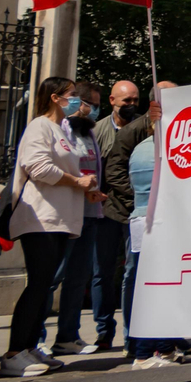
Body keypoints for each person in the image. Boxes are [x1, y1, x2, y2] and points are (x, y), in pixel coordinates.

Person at [1, 77, 101, 378]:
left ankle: (29, 347)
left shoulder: (61, 131)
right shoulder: (39, 127)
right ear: (56, 98)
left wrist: (86, 188)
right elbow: (38, 167)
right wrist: (77, 182)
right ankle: (14, 352)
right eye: (71, 96)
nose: (76, 101)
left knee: (43, 285)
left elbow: (63, 170)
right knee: (38, 284)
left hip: (59, 219)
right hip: (39, 219)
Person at [108, 80, 185, 369]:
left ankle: (163, 348)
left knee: (152, 283)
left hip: (142, 220)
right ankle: (142, 351)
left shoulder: (142, 148)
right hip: (153, 219)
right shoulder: (154, 150)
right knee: (150, 285)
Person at [50, 82, 112, 356]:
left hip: (89, 214)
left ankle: (68, 336)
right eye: (92, 104)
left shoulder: (90, 133)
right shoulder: (61, 129)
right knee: (54, 276)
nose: (95, 110)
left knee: (77, 278)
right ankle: (34, 337)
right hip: (66, 215)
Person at [81, 79, 136, 355]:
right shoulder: (97, 130)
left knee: (131, 272)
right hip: (104, 212)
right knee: (101, 272)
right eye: (126, 101)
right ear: (112, 101)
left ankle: (132, 334)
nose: (131, 106)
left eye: (135, 101)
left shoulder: (142, 128)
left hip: (132, 211)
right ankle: (104, 332)